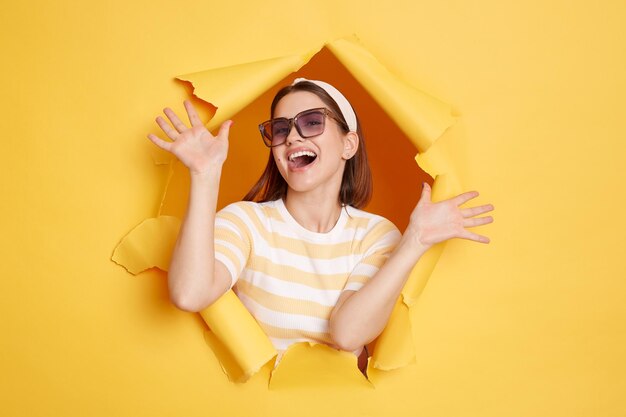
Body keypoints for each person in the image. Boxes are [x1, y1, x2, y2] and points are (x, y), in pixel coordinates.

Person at [147, 78, 494, 370]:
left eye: (312, 122)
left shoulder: (376, 235)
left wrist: (414, 240)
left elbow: (347, 334)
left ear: (348, 143)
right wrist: (205, 176)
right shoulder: (245, 222)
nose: (293, 138)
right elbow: (189, 294)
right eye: (280, 129)